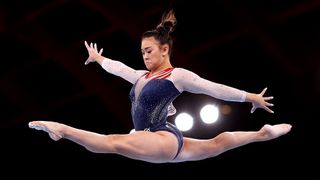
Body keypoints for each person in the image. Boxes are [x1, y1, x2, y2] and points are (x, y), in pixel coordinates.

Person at [28, 9, 292, 163]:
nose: (145, 55)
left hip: (163, 137)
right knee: (217, 144)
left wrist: (250, 98)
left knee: (113, 143)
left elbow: (214, 88)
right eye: (142, 51)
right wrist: (99, 60)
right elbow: (119, 68)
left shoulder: (176, 76)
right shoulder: (142, 77)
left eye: (149, 50)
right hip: (157, 136)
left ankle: (61, 129)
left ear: (165, 49)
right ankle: (262, 134)